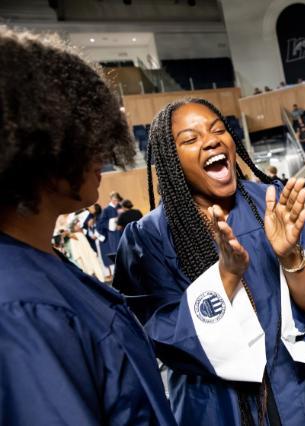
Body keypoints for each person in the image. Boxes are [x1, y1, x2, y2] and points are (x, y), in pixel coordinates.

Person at [113, 98, 305, 425]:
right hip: (216, 408)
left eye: (218, 129)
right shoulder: (149, 237)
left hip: (299, 394)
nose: (211, 140)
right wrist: (226, 276)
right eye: (190, 139)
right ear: (171, 160)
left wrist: (290, 256)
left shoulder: (270, 203)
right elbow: (159, 334)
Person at [0, 28, 176, 425]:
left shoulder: (36, 264)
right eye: (88, 136)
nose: (102, 152)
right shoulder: (21, 310)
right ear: (41, 143)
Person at [97, 191, 123, 272]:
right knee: (117, 252)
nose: (115, 202)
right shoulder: (106, 210)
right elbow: (101, 223)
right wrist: (111, 223)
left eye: (117, 200)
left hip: (122, 232)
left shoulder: (120, 207)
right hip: (113, 235)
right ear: (111, 199)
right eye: (114, 200)